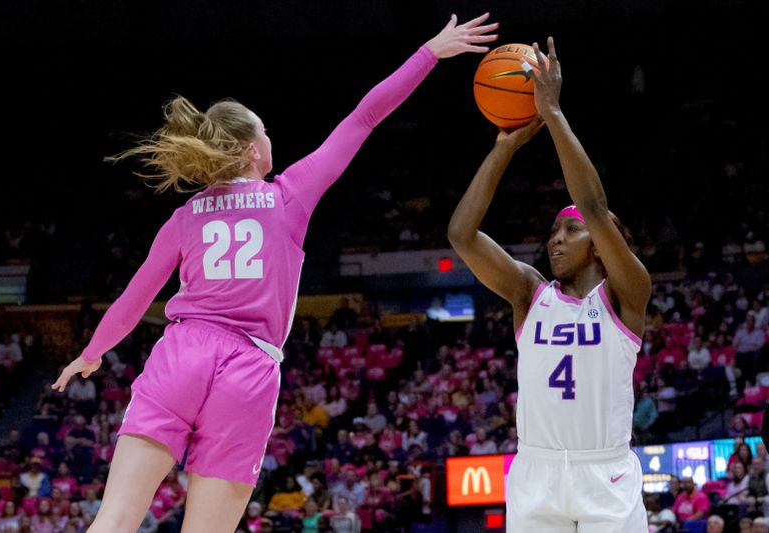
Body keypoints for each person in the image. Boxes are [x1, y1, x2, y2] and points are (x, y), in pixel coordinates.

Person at [49, 13, 499, 533]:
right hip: (248, 368)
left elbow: (134, 297)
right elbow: (363, 117)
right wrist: (429, 53)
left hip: (183, 353)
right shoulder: (289, 195)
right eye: (265, 132)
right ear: (249, 150)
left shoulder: (183, 216)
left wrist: (90, 353)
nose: (270, 139)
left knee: (115, 518)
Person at [448, 36, 650, 532]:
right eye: (553, 232)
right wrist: (504, 146)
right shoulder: (529, 294)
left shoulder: (626, 292)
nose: (555, 241)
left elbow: (595, 208)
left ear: (601, 245)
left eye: (570, 230)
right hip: (535, 471)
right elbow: (462, 234)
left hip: (604, 473)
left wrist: (553, 114)